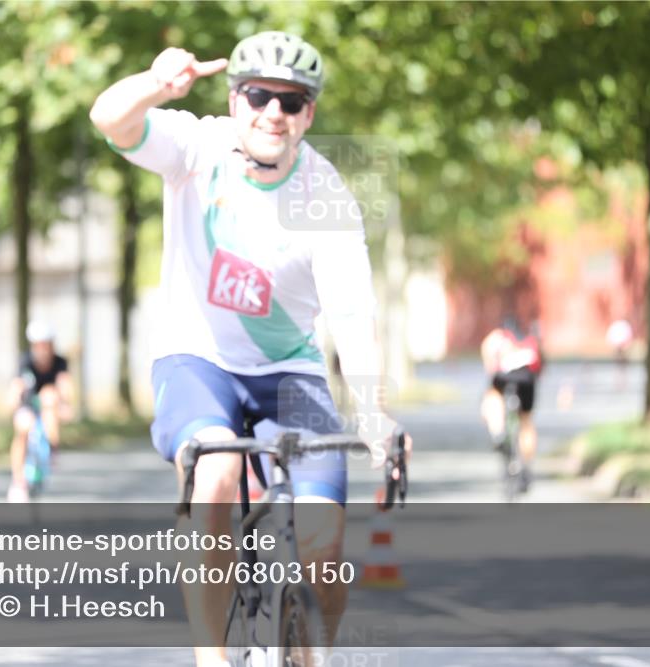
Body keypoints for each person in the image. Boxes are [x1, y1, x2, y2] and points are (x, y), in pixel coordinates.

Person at [90, 31, 409, 667]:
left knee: (323, 541)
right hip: (197, 359)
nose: (273, 112)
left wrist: (373, 411)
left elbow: (350, 315)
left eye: (291, 102)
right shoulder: (195, 146)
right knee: (216, 471)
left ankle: (312, 652)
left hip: (289, 373)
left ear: (308, 115)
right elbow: (109, 118)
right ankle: (212, 658)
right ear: (235, 100)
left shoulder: (326, 196)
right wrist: (159, 82)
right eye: (259, 95)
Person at [5, 321, 73, 503]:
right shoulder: (25, 361)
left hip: (49, 407)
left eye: (47, 345)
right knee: (23, 429)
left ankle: (52, 449)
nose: (43, 350)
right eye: (39, 345)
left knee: (49, 396)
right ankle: (18, 480)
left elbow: (65, 385)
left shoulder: (60, 362)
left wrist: (66, 404)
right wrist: (13, 403)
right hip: (27, 406)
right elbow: (16, 387)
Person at [480, 315, 543, 492]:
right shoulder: (529, 338)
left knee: (492, 396)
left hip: (503, 376)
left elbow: (489, 359)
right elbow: (540, 366)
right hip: (527, 378)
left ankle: (498, 432)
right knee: (526, 421)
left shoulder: (497, 337)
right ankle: (527, 465)